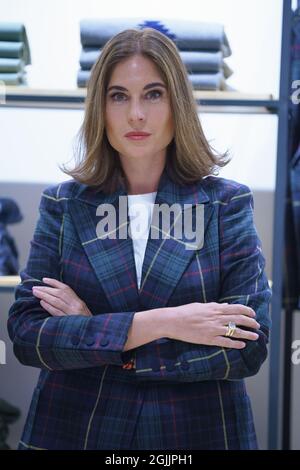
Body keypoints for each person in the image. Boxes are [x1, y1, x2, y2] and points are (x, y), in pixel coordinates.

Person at [7, 27, 271, 450]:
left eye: (153, 94)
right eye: (118, 96)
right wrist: (166, 322)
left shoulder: (226, 204)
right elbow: (27, 336)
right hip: (78, 429)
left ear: (176, 104)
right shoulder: (64, 204)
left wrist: (94, 329)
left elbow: (245, 347)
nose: (136, 115)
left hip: (196, 431)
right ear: (100, 107)